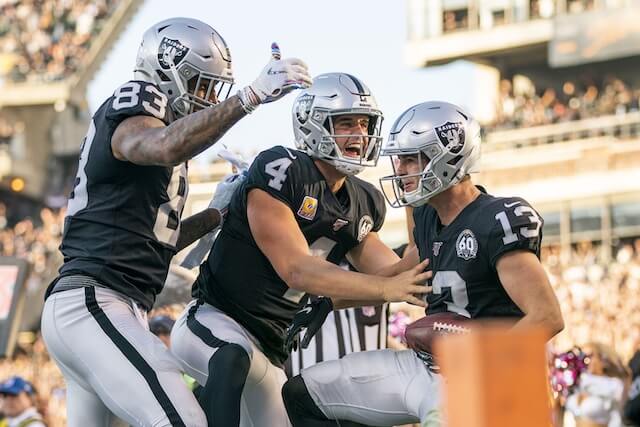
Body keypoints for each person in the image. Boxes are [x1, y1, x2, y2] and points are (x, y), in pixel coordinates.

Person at [40, 17, 311, 427]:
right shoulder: (137, 100)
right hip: (94, 302)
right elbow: (162, 145)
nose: (206, 99)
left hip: (102, 305)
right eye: (200, 85)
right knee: (182, 420)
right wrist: (249, 97)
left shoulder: (157, 145)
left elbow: (157, 240)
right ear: (166, 70)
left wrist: (217, 213)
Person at [170, 72, 431, 426]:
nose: (359, 133)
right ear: (314, 124)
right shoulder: (281, 169)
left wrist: (421, 204)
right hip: (215, 319)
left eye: (364, 123)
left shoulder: (362, 199)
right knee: (231, 357)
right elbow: (296, 269)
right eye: (345, 123)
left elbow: (395, 274)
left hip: (271, 347)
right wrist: (386, 289)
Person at [282, 100, 565, 426]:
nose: (400, 170)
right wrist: (327, 303)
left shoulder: (497, 219)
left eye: (409, 160)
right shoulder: (428, 219)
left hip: (491, 374)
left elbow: (547, 317)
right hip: (426, 366)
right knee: (304, 393)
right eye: (399, 160)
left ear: (447, 156)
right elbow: (398, 278)